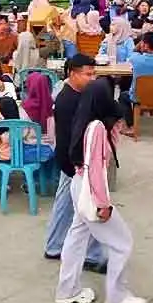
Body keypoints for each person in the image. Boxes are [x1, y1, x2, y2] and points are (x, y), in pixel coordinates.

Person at [55, 76, 146, 303]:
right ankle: (117, 298)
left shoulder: (84, 118)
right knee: (122, 242)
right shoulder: (96, 127)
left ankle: (67, 290)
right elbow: (96, 169)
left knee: (76, 237)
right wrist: (103, 204)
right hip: (90, 190)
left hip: (79, 184)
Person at [44, 54, 105, 272]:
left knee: (66, 206)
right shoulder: (68, 100)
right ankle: (92, 255)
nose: (92, 78)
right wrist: (83, 165)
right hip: (74, 162)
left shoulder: (75, 93)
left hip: (70, 160)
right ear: (73, 74)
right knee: (90, 209)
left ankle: (54, 246)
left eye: (93, 74)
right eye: (88, 74)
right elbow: (74, 136)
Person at [0, 75, 56, 205]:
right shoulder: (51, 106)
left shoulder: (26, 110)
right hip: (49, 150)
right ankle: (34, 183)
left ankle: (4, 185)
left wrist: (0, 136)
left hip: (30, 151)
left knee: (7, 154)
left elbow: (18, 133)